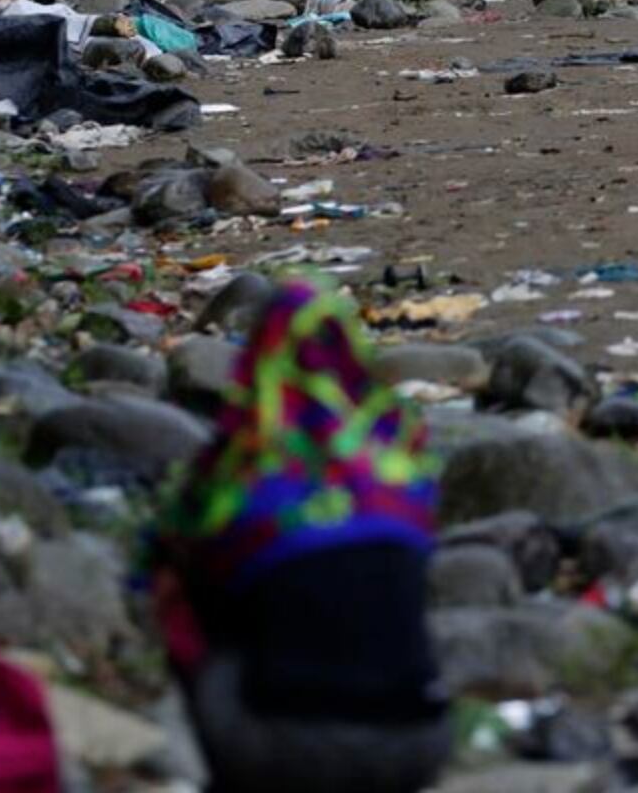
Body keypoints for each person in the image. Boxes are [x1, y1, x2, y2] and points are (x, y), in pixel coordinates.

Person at [148, 276, 450, 793]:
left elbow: (175, 574)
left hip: (287, 751)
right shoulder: (399, 472)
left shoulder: (240, 476)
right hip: (421, 743)